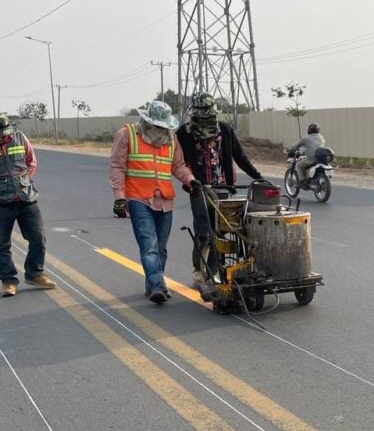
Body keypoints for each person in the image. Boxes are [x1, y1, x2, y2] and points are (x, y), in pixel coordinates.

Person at [108, 100, 197, 304]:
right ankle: (158, 285)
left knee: (161, 248)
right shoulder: (127, 134)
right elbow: (117, 167)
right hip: (138, 198)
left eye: (164, 126)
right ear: (147, 121)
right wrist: (119, 197)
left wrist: (191, 180)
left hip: (164, 199)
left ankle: (152, 285)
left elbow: (178, 165)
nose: (161, 130)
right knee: (149, 246)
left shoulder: (171, 138)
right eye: (157, 126)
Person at [0, 111, 56, 297]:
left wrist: (23, 182)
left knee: (38, 239)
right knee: (0, 245)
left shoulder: (20, 138)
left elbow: (31, 161)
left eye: (3, 134)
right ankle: (8, 280)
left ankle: (35, 274)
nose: (0, 139)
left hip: (26, 199)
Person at [175, 91, 264, 285]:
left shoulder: (224, 130)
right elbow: (177, 162)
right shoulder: (184, 133)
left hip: (223, 187)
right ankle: (199, 269)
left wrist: (259, 178)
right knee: (203, 231)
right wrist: (189, 181)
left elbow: (240, 158)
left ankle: (213, 271)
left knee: (221, 231)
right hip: (199, 188)